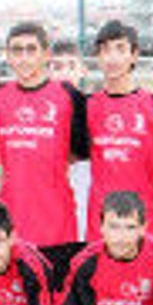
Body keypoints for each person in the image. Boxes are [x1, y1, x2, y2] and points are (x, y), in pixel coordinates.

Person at [0, 23, 90, 290]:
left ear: (46, 55)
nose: (24, 57)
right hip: (12, 221)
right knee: (17, 301)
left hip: (58, 223)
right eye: (17, 50)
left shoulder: (68, 97)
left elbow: (84, 150)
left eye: (31, 50)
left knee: (56, 301)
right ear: (8, 56)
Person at [86, 20, 153, 245]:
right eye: (105, 50)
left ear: (134, 55)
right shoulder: (88, 106)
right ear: (98, 57)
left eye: (120, 49)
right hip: (101, 227)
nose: (112, 58)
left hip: (145, 225)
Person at [49, 39, 91, 244]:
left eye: (71, 66)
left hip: (81, 183)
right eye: (57, 67)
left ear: (83, 71)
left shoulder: (91, 106)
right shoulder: (39, 106)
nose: (64, 73)